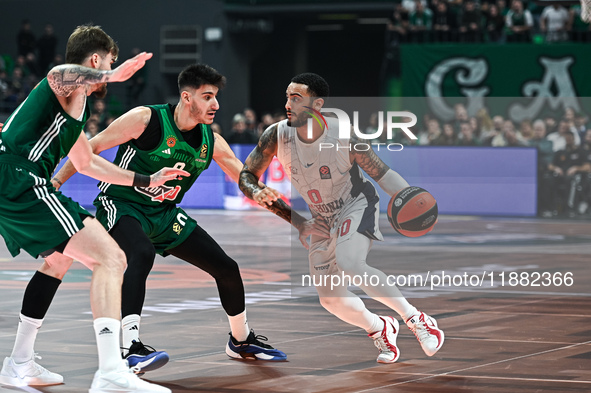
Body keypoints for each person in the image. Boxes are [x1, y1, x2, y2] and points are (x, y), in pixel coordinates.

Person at [51, 63, 286, 373]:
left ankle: (240, 341)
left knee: (227, 267)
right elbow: (89, 149)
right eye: (207, 96)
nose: (215, 104)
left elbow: (242, 176)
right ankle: (129, 348)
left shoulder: (210, 141)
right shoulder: (146, 120)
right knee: (141, 253)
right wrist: (54, 184)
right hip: (122, 204)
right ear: (186, 98)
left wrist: (264, 196)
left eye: (215, 97)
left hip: (164, 214)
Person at [0, 25, 185, 393]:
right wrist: (114, 74)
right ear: (97, 59)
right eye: (109, 64)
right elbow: (61, 74)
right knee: (111, 258)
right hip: (18, 176)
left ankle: (19, 362)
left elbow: (86, 163)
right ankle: (111, 372)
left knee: (58, 260)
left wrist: (147, 181)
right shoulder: (62, 82)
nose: (109, 78)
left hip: (17, 180)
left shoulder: (78, 107)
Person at [238, 73, 444, 364]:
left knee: (351, 263)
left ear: (317, 104)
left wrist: (410, 196)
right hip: (320, 217)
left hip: (355, 203)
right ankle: (380, 327)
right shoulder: (275, 135)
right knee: (330, 299)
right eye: (287, 96)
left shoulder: (344, 135)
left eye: (296, 98)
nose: (288, 104)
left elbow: (381, 173)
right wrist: (295, 220)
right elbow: (247, 176)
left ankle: (418, 320)